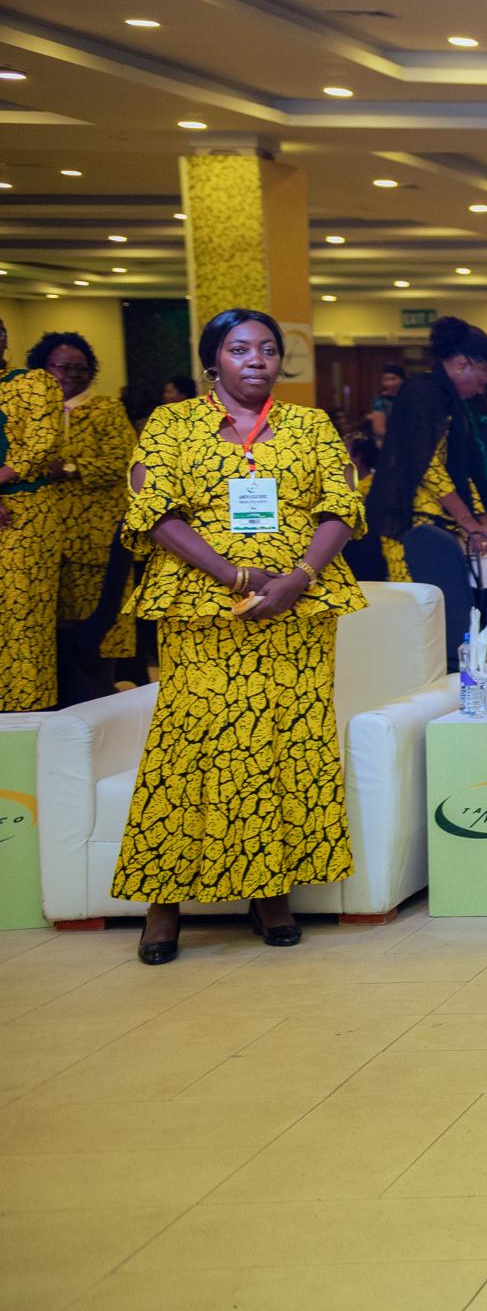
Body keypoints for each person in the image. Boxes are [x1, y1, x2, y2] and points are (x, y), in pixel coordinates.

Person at [115, 309, 368, 963]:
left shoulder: (309, 425)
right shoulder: (171, 424)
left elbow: (344, 507)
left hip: (297, 605)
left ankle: (270, 894)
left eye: (267, 348)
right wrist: (234, 574)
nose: (256, 358)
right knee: (189, 744)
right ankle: (163, 903)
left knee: (284, 742)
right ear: (212, 361)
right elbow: (154, 512)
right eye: (239, 348)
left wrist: (298, 577)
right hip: (202, 603)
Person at [370, 317, 487, 579]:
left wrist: (478, 516)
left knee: (444, 609)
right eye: (481, 381)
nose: (481, 390)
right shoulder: (423, 392)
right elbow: (429, 465)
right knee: (419, 608)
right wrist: (469, 522)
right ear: (462, 365)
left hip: (438, 520)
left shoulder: (448, 397)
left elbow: (458, 465)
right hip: (411, 522)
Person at [31, 332, 138, 673]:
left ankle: (99, 694)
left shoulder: (106, 409)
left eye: (81, 368)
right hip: (41, 538)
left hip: (96, 537)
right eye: (62, 367)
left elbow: (125, 459)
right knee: (46, 629)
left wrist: (70, 468)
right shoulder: (31, 413)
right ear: (42, 368)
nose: (71, 375)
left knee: (99, 629)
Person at [0, 317, 67, 711]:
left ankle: (26, 716)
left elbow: (43, 442)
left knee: (22, 619)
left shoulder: (31, 383)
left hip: (25, 515)